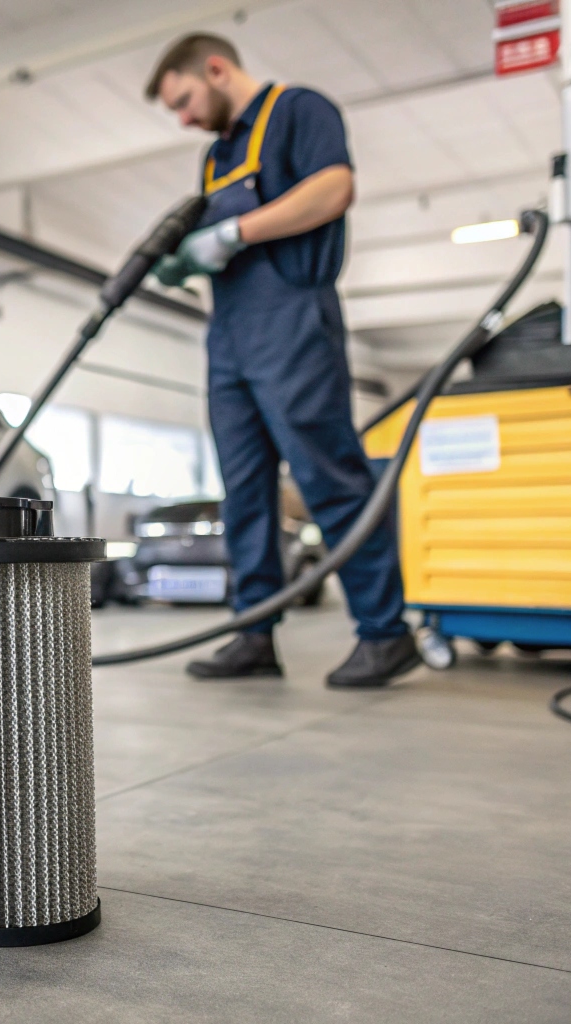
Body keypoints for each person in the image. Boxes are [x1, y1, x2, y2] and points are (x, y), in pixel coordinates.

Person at [145, 33, 417, 688]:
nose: (183, 119)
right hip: (230, 334)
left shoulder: (297, 110)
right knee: (243, 492)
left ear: (215, 69)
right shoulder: (216, 158)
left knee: (329, 475)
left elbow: (333, 189)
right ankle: (254, 633)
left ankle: (386, 634)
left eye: (183, 100)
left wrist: (234, 232)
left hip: (293, 319)